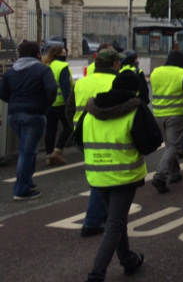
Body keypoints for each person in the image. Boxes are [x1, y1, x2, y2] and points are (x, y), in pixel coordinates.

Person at [76, 71, 159, 282]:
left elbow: (78, 140)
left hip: (97, 175)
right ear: (136, 90)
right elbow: (151, 142)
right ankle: (96, 274)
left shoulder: (90, 110)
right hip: (124, 175)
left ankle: (128, 260)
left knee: (116, 221)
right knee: (114, 224)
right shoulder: (136, 108)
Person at [66, 48, 124, 236]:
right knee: (105, 178)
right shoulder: (118, 81)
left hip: (84, 135)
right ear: (115, 64)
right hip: (110, 136)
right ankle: (92, 221)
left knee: (101, 176)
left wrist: (77, 130)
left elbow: (69, 110)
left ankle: (103, 215)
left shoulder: (81, 83)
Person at [0, 41, 58, 200]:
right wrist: (46, 103)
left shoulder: (11, 72)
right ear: (38, 54)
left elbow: (2, 92)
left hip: (14, 115)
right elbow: (52, 89)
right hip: (34, 114)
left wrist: (13, 102)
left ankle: (27, 180)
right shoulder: (42, 70)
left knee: (27, 149)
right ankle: (21, 189)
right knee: (27, 152)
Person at [150, 50, 183, 194]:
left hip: (158, 114)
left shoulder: (155, 72)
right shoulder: (182, 74)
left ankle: (175, 173)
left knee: (170, 145)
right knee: (174, 145)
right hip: (176, 114)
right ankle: (160, 176)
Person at [42, 45, 73, 166]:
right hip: (61, 103)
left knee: (50, 129)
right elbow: (65, 87)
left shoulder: (48, 65)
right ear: (60, 54)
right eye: (64, 51)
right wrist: (69, 104)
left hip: (49, 103)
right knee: (69, 126)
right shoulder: (63, 66)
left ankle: (49, 156)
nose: (65, 53)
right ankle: (58, 150)